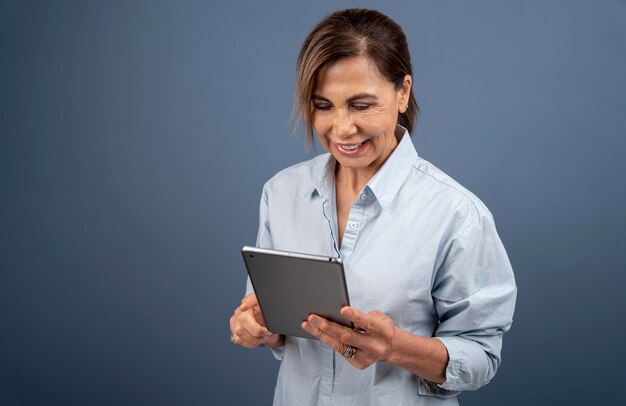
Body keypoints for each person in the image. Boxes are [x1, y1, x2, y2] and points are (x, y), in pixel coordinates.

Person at [229, 8, 516, 406]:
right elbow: (277, 324)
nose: (342, 128)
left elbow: (481, 356)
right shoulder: (281, 193)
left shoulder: (457, 214)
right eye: (323, 106)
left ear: (403, 92)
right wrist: (259, 327)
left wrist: (395, 347)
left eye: (361, 105)